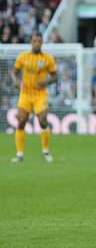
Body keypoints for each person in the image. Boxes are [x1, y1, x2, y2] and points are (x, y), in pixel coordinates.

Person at [10, 33, 58, 163]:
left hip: (40, 95)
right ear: (30, 42)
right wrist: (15, 81)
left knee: (43, 121)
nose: (37, 43)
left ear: (42, 43)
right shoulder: (23, 56)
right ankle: (19, 154)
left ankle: (46, 151)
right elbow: (14, 72)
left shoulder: (48, 58)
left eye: (39, 41)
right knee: (21, 122)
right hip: (25, 94)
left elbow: (55, 76)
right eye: (35, 41)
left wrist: (45, 82)